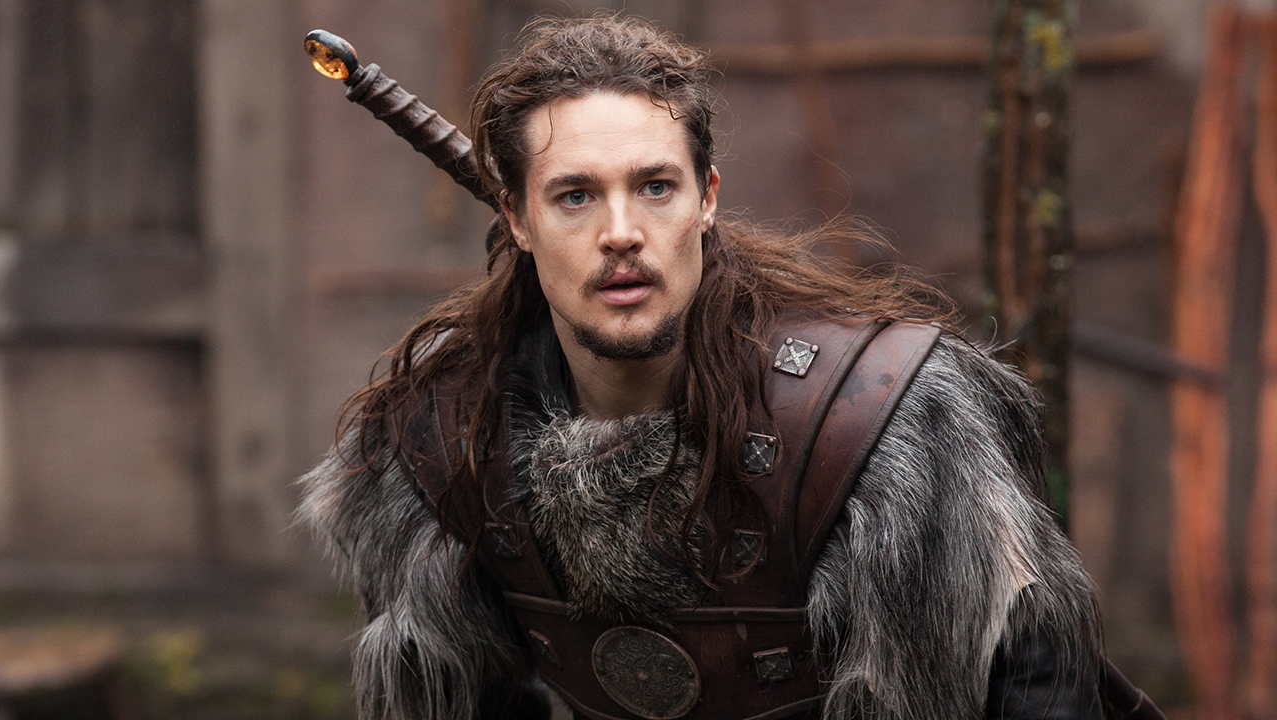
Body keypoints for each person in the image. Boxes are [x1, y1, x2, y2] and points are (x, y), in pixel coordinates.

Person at [299, 14, 1117, 720]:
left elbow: (1040, 692)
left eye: (655, 187)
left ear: (708, 198)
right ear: (516, 218)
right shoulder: (447, 441)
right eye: (575, 196)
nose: (622, 232)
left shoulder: (878, 429)